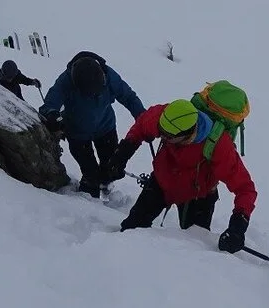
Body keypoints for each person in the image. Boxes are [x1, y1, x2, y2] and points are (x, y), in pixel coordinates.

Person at [103, 99, 257, 253]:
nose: (162, 137)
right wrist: (120, 156)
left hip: (198, 197)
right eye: (161, 132)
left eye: (168, 137)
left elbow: (245, 188)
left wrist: (238, 226)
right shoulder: (166, 118)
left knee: (197, 249)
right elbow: (142, 125)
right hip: (162, 182)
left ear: (188, 135)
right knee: (130, 229)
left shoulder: (219, 146)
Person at [39, 51, 145, 197]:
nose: (94, 95)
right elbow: (49, 104)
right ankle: (89, 199)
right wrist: (52, 114)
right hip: (77, 133)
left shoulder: (109, 77)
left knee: (111, 166)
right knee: (90, 173)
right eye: (88, 93)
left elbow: (129, 97)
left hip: (105, 128)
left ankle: (105, 187)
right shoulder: (66, 81)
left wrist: (143, 118)